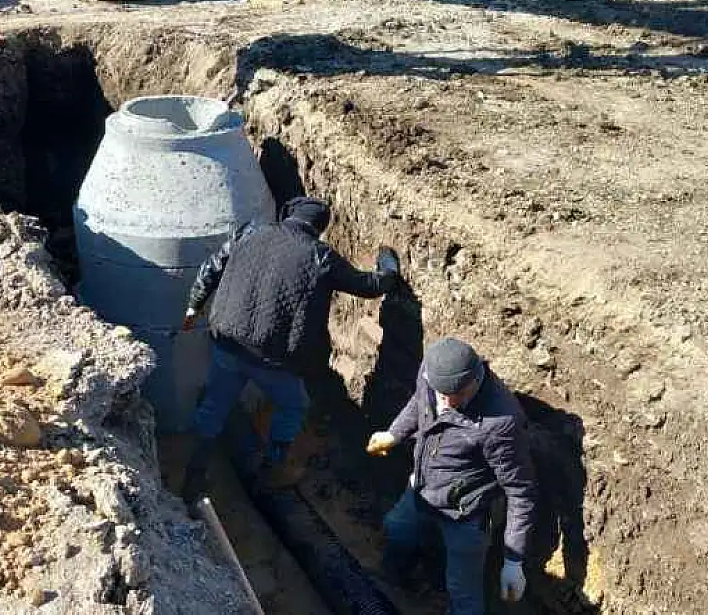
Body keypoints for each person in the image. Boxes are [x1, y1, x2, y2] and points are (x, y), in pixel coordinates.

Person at [180, 196, 401, 506]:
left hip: (227, 343)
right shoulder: (319, 256)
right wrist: (388, 266)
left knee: (215, 405)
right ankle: (271, 468)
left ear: (287, 215)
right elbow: (370, 285)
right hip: (272, 359)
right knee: (293, 406)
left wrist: (194, 306)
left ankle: (193, 474)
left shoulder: (249, 233)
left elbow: (212, 266)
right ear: (319, 228)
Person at [367, 337, 537, 615]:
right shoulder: (432, 372)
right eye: (439, 393)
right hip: (422, 489)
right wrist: (394, 434)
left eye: (453, 395)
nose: (444, 402)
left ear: (473, 381)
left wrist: (513, 560)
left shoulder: (501, 423)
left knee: (463, 591)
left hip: (467, 515)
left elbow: (521, 492)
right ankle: (397, 584)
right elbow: (418, 402)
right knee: (397, 529)